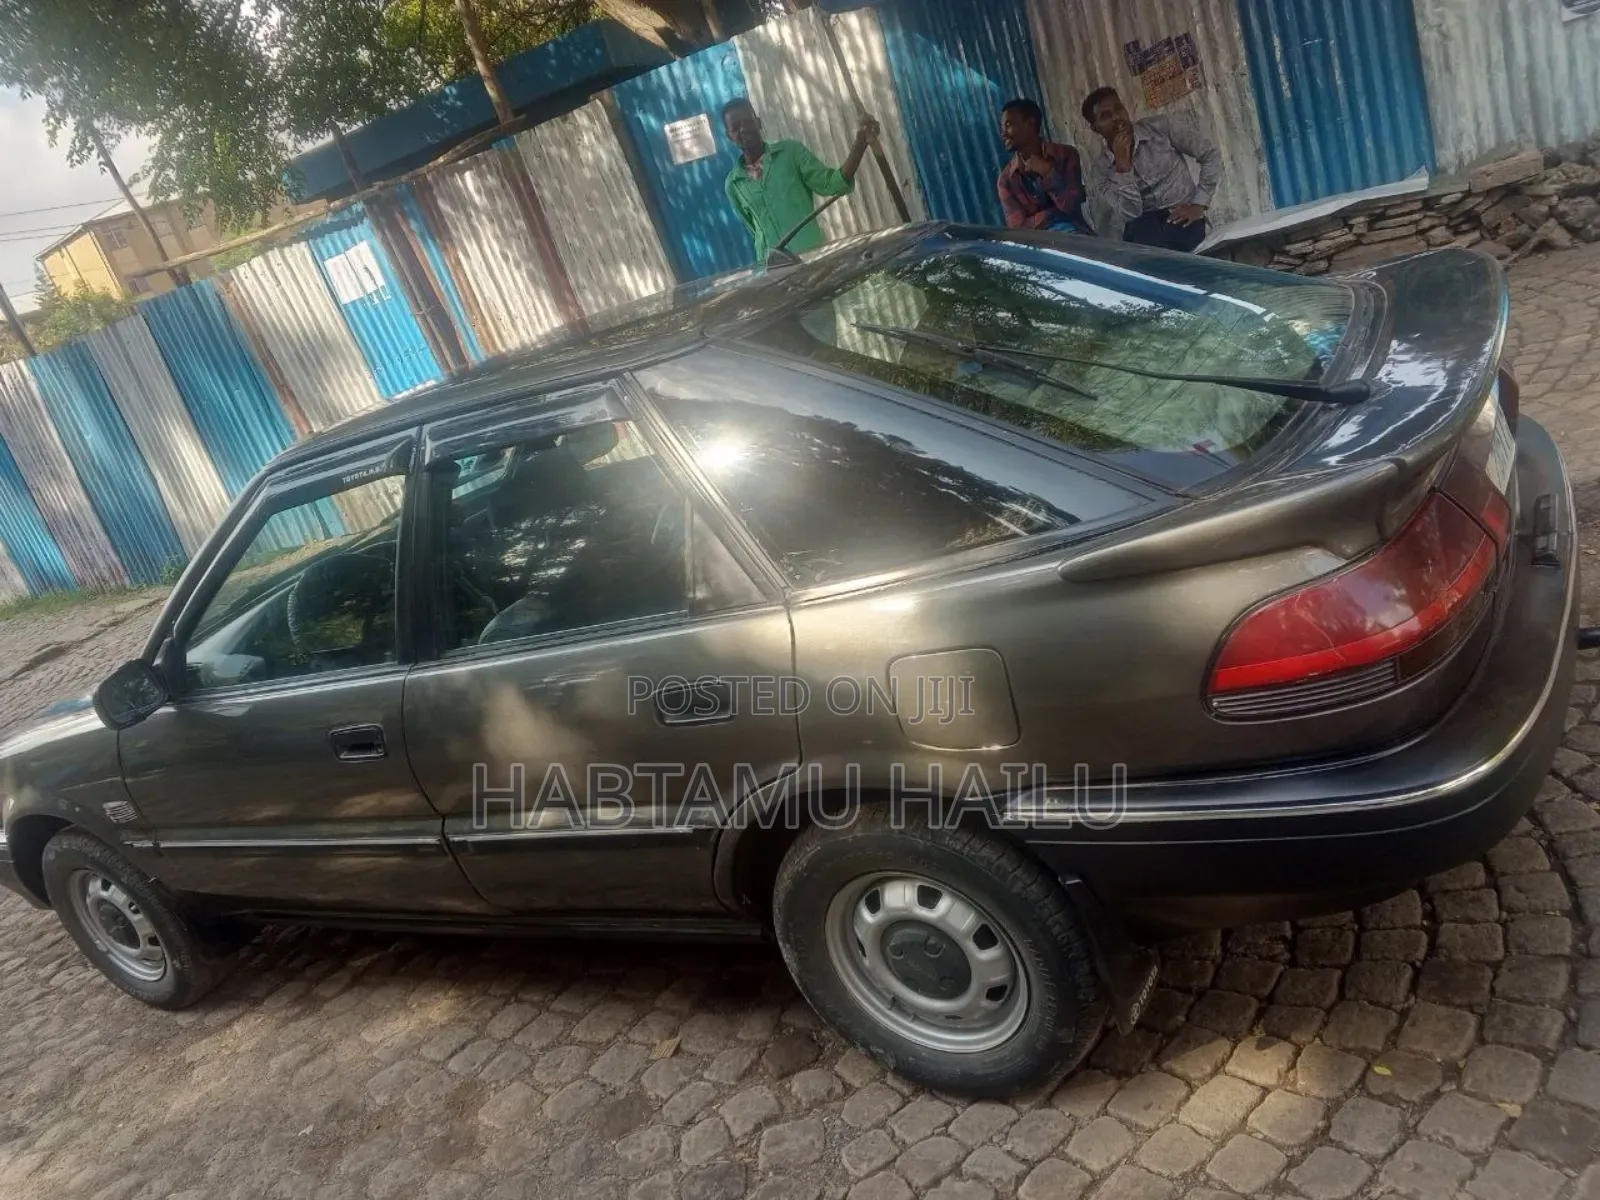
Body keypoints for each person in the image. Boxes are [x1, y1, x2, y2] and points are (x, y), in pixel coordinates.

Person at [723, 97, 879, 263]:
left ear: (759, 123)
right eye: (736, 127)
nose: (743, 129)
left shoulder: (791, 153)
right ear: (729, 136)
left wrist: (860, 144)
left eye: (748, 122)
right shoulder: (733, 184)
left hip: (810, 259)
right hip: (772, 267)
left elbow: (832, 183)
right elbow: (754, 229)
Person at [1082, 86, 1223, 252]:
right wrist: (1123, 168)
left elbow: (1210, 155)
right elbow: (1129, 214)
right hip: (1146, 232)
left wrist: (1198, 205)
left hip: (1185, 221)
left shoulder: (1160, 128)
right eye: (1106, 116)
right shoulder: (1100, 173)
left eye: (1119, 109)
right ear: (1096, 128)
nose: (1117, 118)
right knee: (1138, 231)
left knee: (1147, 244)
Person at [997, 98, 1089, 233]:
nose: (1003, 133)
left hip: (1076, 238)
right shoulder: (1006, 180)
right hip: (1041, 245)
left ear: (1030, 123)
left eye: (1008, 125)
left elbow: (1072, 208)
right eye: (1002, 127)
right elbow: (1019, 230)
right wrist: (1053, 215)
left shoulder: (1066, 155)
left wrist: (1048, 173)